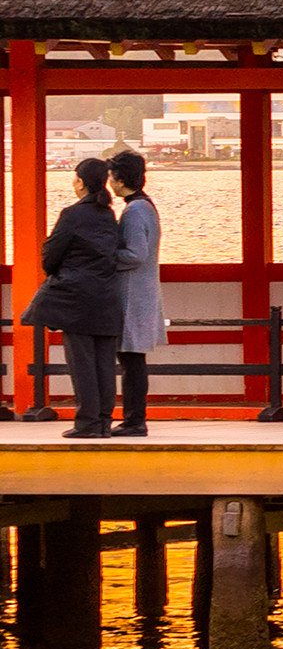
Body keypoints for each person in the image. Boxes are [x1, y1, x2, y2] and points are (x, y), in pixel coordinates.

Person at [21, 158, 129, 438]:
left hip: (77, 300)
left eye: (74, 178)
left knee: (81, 362)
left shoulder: (72, 214)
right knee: (105, 363)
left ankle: (87, 423)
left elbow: (50, 255)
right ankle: (104, 421)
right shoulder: (108, 214)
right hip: (107, 297)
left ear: (80, 182)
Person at [108, 148, 158, 438]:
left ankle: (134, 420)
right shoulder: (145, 205)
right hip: (141, 292)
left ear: (119, 179)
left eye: (112, 177)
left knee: (131, 361)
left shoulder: (134, 210)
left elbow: (136, 254)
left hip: (132, 294)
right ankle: (134, 418)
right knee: (133, 360)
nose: (109, 183)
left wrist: (106, 257)